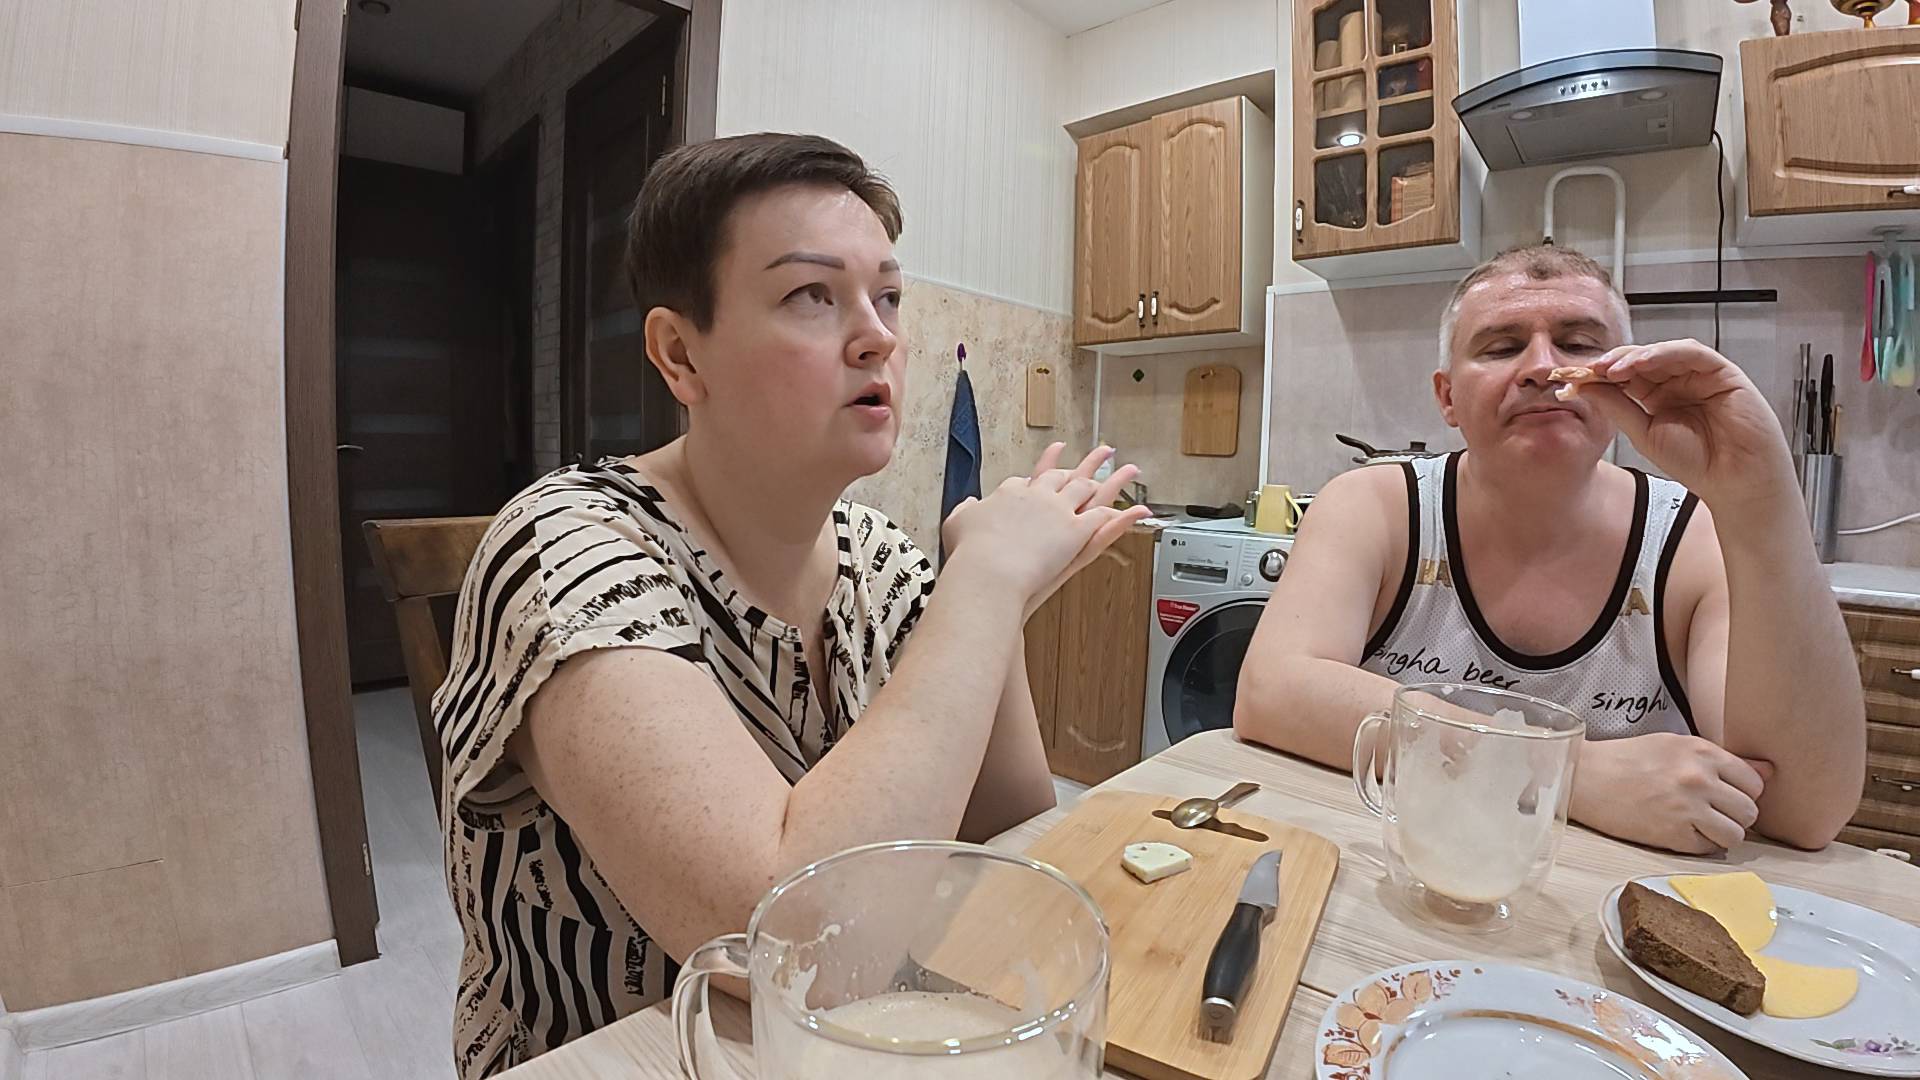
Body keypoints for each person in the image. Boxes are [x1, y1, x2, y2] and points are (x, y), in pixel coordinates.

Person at [431, 132, 1150, 1078]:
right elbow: (794, 947)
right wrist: (982, 584)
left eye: (888, 296)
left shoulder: (877, 557)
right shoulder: (566, 550)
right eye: (812, 294)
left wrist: (995, 588)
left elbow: (1000, 829)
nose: (879, 336)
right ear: (680, 355)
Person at [1235, 245, 1864, 856]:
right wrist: (1567, 772)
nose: (1541, 367)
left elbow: (1801, 810)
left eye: (1580, 345)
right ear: (1448, 397)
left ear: (1630, 381)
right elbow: (1271, 694)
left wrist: (1761, 499)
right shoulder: (1373, 506)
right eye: (1502, 347)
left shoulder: (1695, 538)